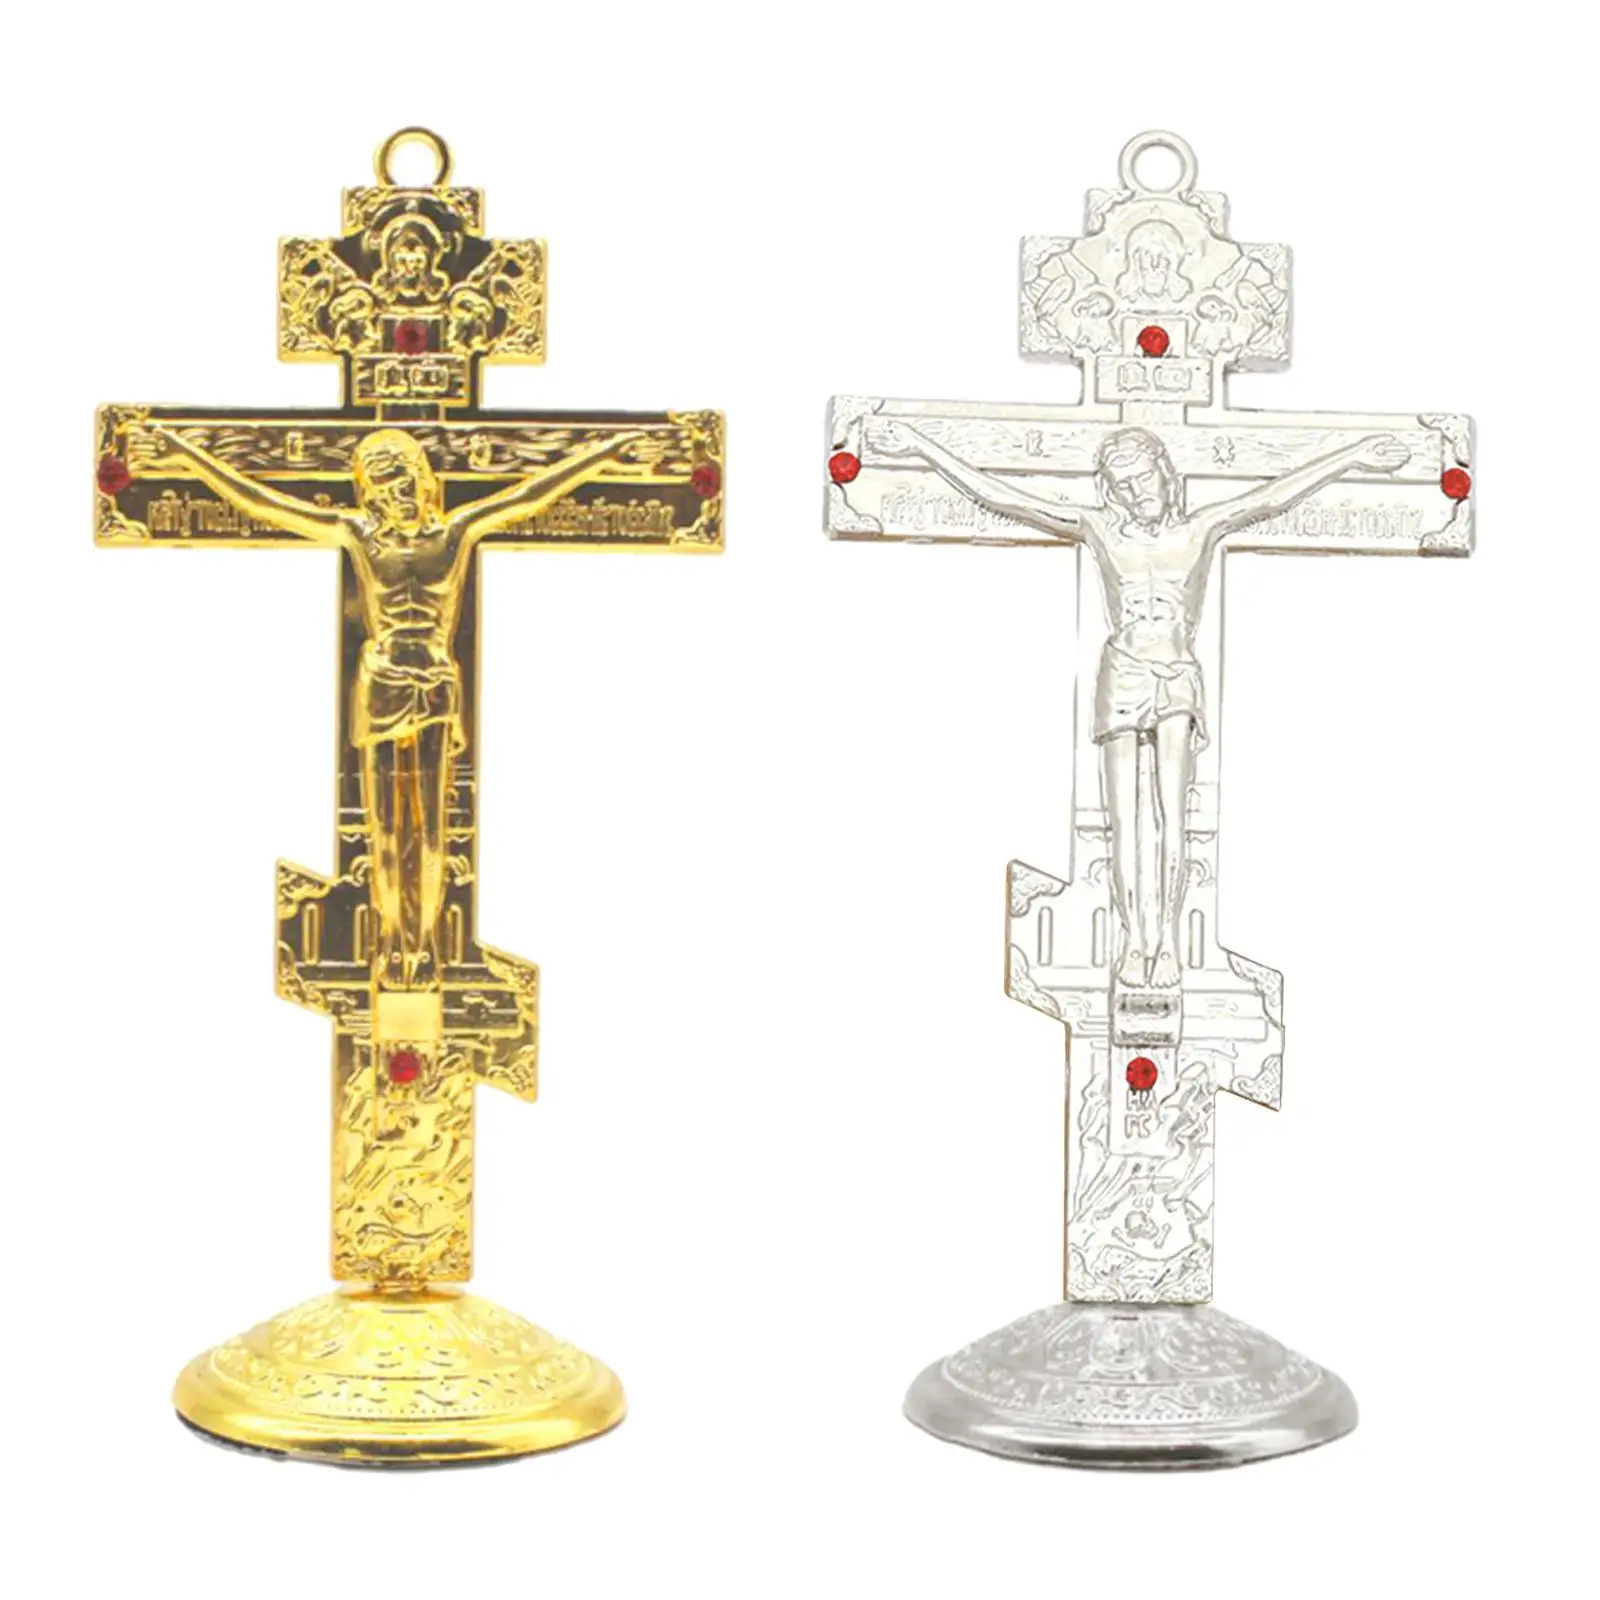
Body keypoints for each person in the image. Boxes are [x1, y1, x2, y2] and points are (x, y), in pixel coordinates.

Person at [873, 419, 1409, 988]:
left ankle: (1168, 941)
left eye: (1142, 477)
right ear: (1109, 490)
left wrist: (1354, 456)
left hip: (1176, 674)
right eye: (1122, 484)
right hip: (1124, 672)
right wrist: (921, 447)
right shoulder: (1100, 529)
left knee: (1173, 814)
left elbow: (1274, 496)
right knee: (1122, 821)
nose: (1135, 492)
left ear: (1164, 472)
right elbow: (1003, 497)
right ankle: (1135, 939)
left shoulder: (1202, 527)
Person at [126, 421, 646, 989]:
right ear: (369, 493)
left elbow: (528, 496)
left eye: (404, 481)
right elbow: (264, 503)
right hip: (380, 685)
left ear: (423, 480)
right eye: (384, 486)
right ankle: (391, 942)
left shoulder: (456, 533)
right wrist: (186, 454)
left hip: (435, 684)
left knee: (431, 828)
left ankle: (424, 948)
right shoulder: (360, 535)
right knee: (385, 831)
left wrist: (602, 455)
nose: (397, 494)